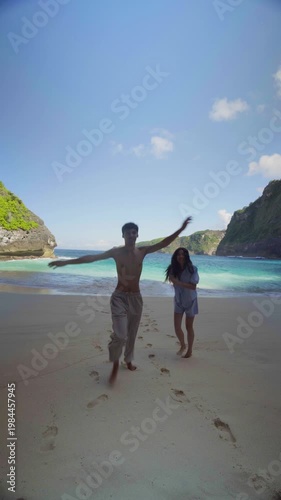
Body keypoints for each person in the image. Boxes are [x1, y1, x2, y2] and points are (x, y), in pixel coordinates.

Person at [48, 217, 192, 384]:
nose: (131, 235)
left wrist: (181, 229)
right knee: (121, 335)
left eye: (133, 232)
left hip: (136, 298)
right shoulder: (116, 252)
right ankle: (115, 359)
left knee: (131, 333)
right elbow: (91, 258)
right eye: (128, 233)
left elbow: (164, 243)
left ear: (137, 235)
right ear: (122, 235)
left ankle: (128, 359)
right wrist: (66, 263)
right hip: (119, 297)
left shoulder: (142, 251)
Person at [165, 247, 199, 358]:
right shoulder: (173, 269)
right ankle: (183, 345)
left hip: (191, 301)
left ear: (186, 256)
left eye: (183, 254)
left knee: (189, 327)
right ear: (175, 256)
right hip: (178, 301)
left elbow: (193, 287)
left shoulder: (192, 269)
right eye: (178, 254)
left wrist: (178, 282)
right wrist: (174, 281)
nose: (181, 256)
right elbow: (171, 279)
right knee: (177, 327)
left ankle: (189, 350)